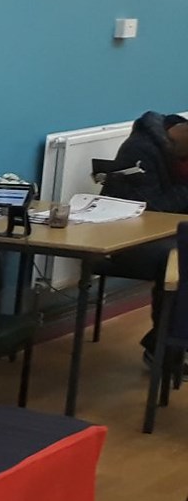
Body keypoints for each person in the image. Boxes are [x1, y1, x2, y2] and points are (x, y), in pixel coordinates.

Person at [99, 111, 188, 364]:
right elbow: (150, 208)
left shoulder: (178, 152)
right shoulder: (139, 150)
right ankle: (163, 349)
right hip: (129, 241)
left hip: (168, 236)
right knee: (180, 261)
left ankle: (165, 341)